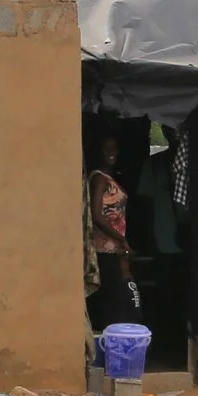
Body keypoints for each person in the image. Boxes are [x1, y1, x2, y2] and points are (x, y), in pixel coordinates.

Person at [85, 132, 141, 331]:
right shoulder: (99, 178)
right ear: (97, 151)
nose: (111, 152)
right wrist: (121, 240)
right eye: (106, 148)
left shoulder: (108, 178)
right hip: (104, 250)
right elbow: (97, 215)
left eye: (114, 148)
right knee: (113, 302)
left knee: (116, 300)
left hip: (113, 249)